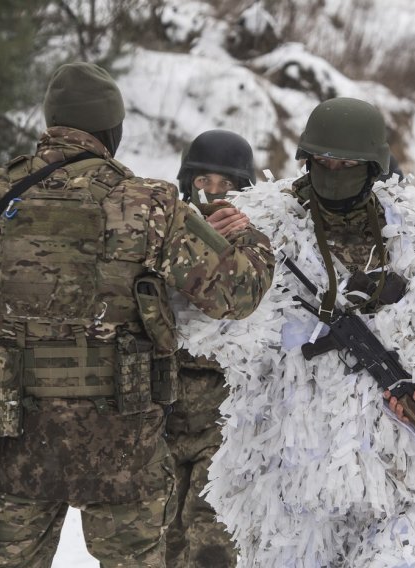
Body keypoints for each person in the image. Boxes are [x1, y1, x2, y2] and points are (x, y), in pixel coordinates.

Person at [0, 61, 274, 567]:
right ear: (113, 131)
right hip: (127, 450)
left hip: (19, 445)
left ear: (50, 123)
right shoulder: (153, 204)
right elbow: (238, 295)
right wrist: (248, 235)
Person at [176, 97, 415, 566]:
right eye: (322, 162)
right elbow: (213, 329)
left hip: (399, 465)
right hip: (290, 469)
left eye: (345, 163)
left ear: (371, 167)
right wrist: (210, 251)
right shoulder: (266, 221)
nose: (332, 171)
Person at [165, 129, 256, 567]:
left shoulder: (259, 239)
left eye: (227, 185)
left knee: (212, 538)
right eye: (204, 183)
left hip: (225, 412)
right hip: (163, 406)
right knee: (163, 536)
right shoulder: (162, 227)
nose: (215, 193)